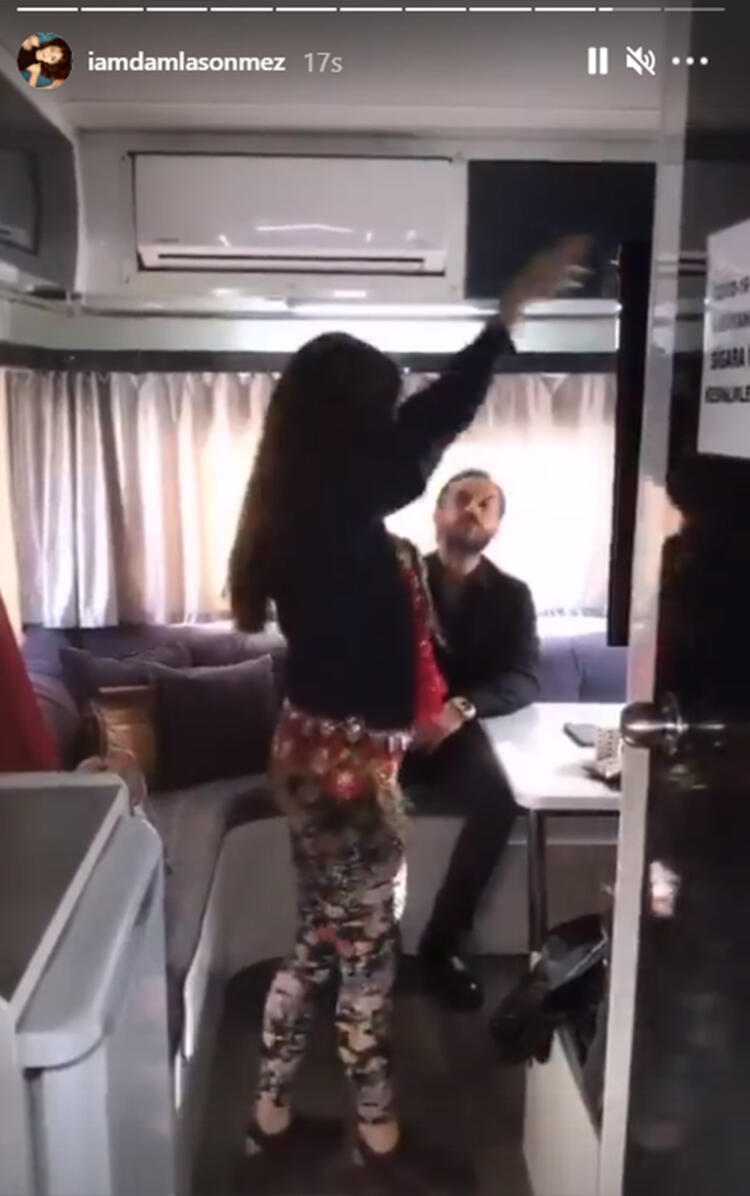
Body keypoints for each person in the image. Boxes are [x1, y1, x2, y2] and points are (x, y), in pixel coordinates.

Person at [228, 236, 589, 1194]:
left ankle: (269, 1119)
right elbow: (429, 428)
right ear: (348, 425)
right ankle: (379, 1138)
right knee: (365, 960)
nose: (394, 429)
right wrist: (503, 323)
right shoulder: (332, 506)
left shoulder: (303, 504)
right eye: (379, 412)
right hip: (350, 772)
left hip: (319, 756)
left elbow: (416, 439)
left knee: (318, 945)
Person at [401, 469, 540, 1011]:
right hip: (393, 730)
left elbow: (524, 678)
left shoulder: (513, 596)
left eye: (487, 505)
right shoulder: (400, 583)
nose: (474, 511)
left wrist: (460, 708)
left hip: (461, 738)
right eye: (463, 499)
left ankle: (442, 945)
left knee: (501, 798)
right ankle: (359, 946)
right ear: (438, 514)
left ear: (496, 527)